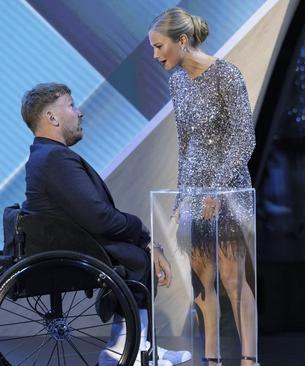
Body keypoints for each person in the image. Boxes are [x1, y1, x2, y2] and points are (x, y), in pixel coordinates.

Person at [19, 83, 191, 365]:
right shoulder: (54, 158)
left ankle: (135, 345)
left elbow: (95, 217)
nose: (80, 112)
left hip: (73, 242)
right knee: (137, 258)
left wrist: (144, 239)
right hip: (72, 249)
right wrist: (142, 234)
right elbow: (98, 218)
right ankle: (125, 349)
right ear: (52, 117)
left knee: (137, 254)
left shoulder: (48, 156)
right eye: (72, 105)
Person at [149, 8, 258, 366]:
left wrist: (216, 189)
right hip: (194, 191)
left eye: (159, 46)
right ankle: (209, 359)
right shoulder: (176, 82)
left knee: (232, 279)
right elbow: (185, 144)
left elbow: (245, 140)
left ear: (182, 41)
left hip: (228, 189)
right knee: (201, 284)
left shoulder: (226, 75)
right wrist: (183, 197)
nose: (155, 55)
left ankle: (248, 359)